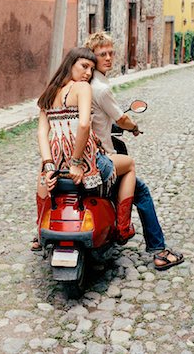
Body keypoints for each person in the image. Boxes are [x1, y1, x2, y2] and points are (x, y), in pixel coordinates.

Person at [84, 32, 184, 271]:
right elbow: (123, 117)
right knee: (141, 191)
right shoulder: (100, 88)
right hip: (103, 155)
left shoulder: (84, 84)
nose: (108, 58)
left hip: (84, 154)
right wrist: (134, 127)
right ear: (93, 58)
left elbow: (100, 119)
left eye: (110, 53)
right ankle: (157, 249)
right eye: (102, 54)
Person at [34, 47, 137, 249]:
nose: (88, 73)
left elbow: (41, 133)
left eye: (91, 68)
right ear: (69, 65)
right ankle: (123, 228)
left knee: (41, 182)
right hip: (86, 164)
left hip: (56, 166)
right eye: (84, 66)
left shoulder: (49, 92)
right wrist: (76, 163)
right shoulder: (82, 88)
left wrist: (48, 167)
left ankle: (39, 233)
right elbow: (83, 124)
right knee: (130, 165)